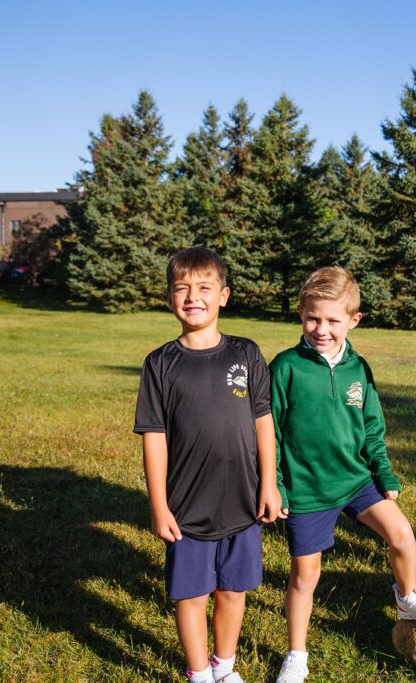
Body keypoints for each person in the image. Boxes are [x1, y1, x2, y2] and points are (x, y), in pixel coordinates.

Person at [270, 266, 416, 683]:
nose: (322, 328)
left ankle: (408, 598)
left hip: (357, 481)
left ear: (353, 320)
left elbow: (372, 428)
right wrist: (277, 485)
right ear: (301, 314)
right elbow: (271, 434)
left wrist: (384, 472)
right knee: (305, 577)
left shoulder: (359, 368)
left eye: (333, 320)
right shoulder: (285, 367)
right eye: (313, 318)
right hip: (307, 489)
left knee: (403, 537)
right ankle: (296, 655)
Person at [134, 247, 284, 683]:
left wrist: (269, 485)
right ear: (169, 299)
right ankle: (199, 673)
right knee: (191, 594)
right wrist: (159, 506)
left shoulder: (246, 353)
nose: (193, 296)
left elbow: (263, 423)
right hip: (187, 506)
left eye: (204, 287)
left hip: (242, 500)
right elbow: (155, 440)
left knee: (233, 591)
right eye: (182, 288)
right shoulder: (160, 364)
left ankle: (224, 666)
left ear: (224, 295)